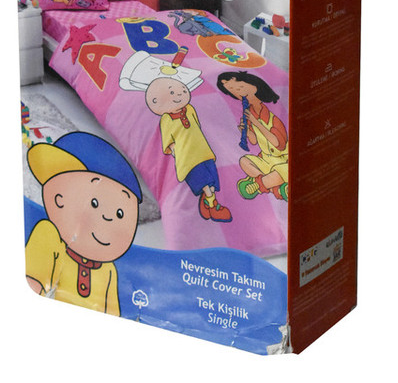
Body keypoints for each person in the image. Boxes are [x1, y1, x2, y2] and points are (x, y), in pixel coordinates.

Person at [24, 132, 141, 316]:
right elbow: (34, 281)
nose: (108, 218)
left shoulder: (109, 270)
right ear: (59, 199)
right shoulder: (49, 234)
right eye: (94, 203)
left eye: (120, 214)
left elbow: (113, 312)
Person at [146, 76, 232, 223]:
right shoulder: (166, 119)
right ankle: (212, 205)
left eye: (182, 89)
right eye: (172, 92)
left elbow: (196, 125)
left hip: (204, 151)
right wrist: (176, 151)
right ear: (156, 103)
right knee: (203, 180)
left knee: (212, 177)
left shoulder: (190, 108)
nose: (180, 93)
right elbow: (168, 140)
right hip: (188, 158)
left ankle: (207, 202)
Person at [217, 71, 289, 201]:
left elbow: (279, 144)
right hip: (266, 159)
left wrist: (256, 123)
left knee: (284, 170)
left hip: (283, 159)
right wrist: (245, 131)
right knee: (244, 161)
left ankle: (258, 185)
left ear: (254, 85)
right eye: (233, 91)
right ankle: (276, 188)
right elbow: (254, 141)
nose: (239, 92)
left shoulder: (271, 116)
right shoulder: (250, 112)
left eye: (240, 87)